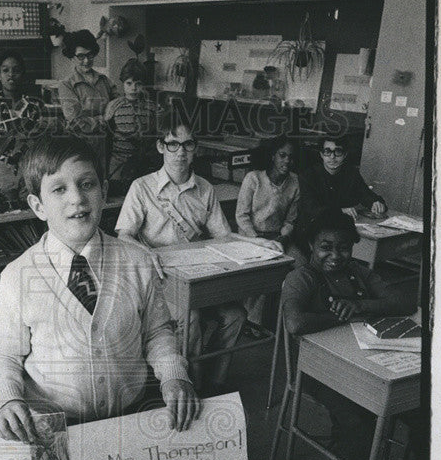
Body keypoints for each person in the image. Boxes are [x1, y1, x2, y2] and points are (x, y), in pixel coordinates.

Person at [0, 135, 200, 443]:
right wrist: (8, 399)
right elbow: (6, 353)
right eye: (59, 189)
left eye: (87, 184)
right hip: (54, 426)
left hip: (131, 415)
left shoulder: (136, 261)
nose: (77, 198)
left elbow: (157, 333)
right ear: (38, 206)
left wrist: (173, 375)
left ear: (103, 192)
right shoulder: (18, 276)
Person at [281, 207, 417, 460]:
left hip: (368, 366)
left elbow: (404, 302)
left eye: (343, 248)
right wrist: (342, 316)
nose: (335, 256)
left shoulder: (358, 273)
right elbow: (295, 322)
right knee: (358, 425)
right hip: (320, 374)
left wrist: (358, 306)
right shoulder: (302, 278)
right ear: (311, 245)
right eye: (326, 247)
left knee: (423, 411)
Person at [115, 112, 243, 394]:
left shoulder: (205, 189)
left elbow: (223, 236)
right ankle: (191, 384)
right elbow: (123, 236)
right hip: (162, 281)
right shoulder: (142, 187)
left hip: (199, 277)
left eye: (188, 145)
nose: (181, 152)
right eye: (173, 144)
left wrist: (256, 244)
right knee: (191, 318)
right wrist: (146, 252)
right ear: (161, 146)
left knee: (236, 315)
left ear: (195, 148)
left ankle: (217, 382)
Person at [235, 135, 301, 332]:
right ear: (272, 156)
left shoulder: (295, 182)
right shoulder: (253, 178)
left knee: (301, 266)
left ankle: (287, 320)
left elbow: (291, 219)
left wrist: (282, 237)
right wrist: (257, 240)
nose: (287, 161)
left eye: (291, 157)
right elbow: (241, 216)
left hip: (279, 238)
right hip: (250, 237)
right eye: (282, 155)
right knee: (263, 271)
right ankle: (252, 322)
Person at [0, 52, 48, 210]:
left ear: (22, 75)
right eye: (5, 70)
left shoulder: (33, 107)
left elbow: (40, 142)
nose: (11, 75)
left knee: (32, 211)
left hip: (30, 170)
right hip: (3, 171)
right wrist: (0, 168)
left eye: (16, 70)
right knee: (7, 212)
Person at [298, 134, 387, 244]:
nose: (332, 157)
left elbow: (365, 193)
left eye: (338, 152)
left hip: (341, 231)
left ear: (345, 155)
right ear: (321, 154)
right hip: (312, 233)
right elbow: (311, 209)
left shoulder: (351, 173)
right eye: (327, 151)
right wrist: (340, 211)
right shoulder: (309, 176)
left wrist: (375, 202)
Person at [57, 30, 115, 174]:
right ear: (72, 57)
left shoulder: (105, 80)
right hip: (80, 147)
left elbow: (117, 106)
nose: (86, 61)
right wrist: (104, 119)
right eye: (81, 56)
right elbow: (74, 121)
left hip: (107, 146)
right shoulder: (66, 85)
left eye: (90, 55)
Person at [103, 58, 157, 197]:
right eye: (129, 83)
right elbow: (107, 136)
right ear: (123, 83)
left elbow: (154, 137)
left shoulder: (151, 107)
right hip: (118, 163)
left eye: (138, 84)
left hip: (142, 165)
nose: (133, 88)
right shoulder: (114, 106)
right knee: (117, 199)